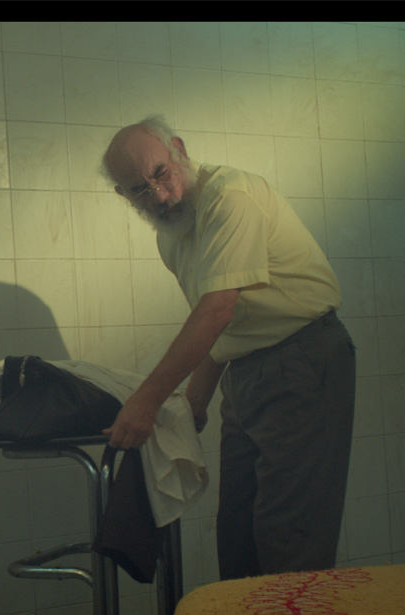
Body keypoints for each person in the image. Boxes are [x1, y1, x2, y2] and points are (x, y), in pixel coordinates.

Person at [101, 115, 356, 580]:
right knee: (238, 537)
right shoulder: (172, 237)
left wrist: (146, 401)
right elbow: (217, 324)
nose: (159, 195)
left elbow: (217, 311)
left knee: (289, 540)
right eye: (140, 190)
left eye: (161, 173)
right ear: (124, 195)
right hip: (246, 371)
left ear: (178, 150)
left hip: (302, 357)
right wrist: (194, 402)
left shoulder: (230, 196)